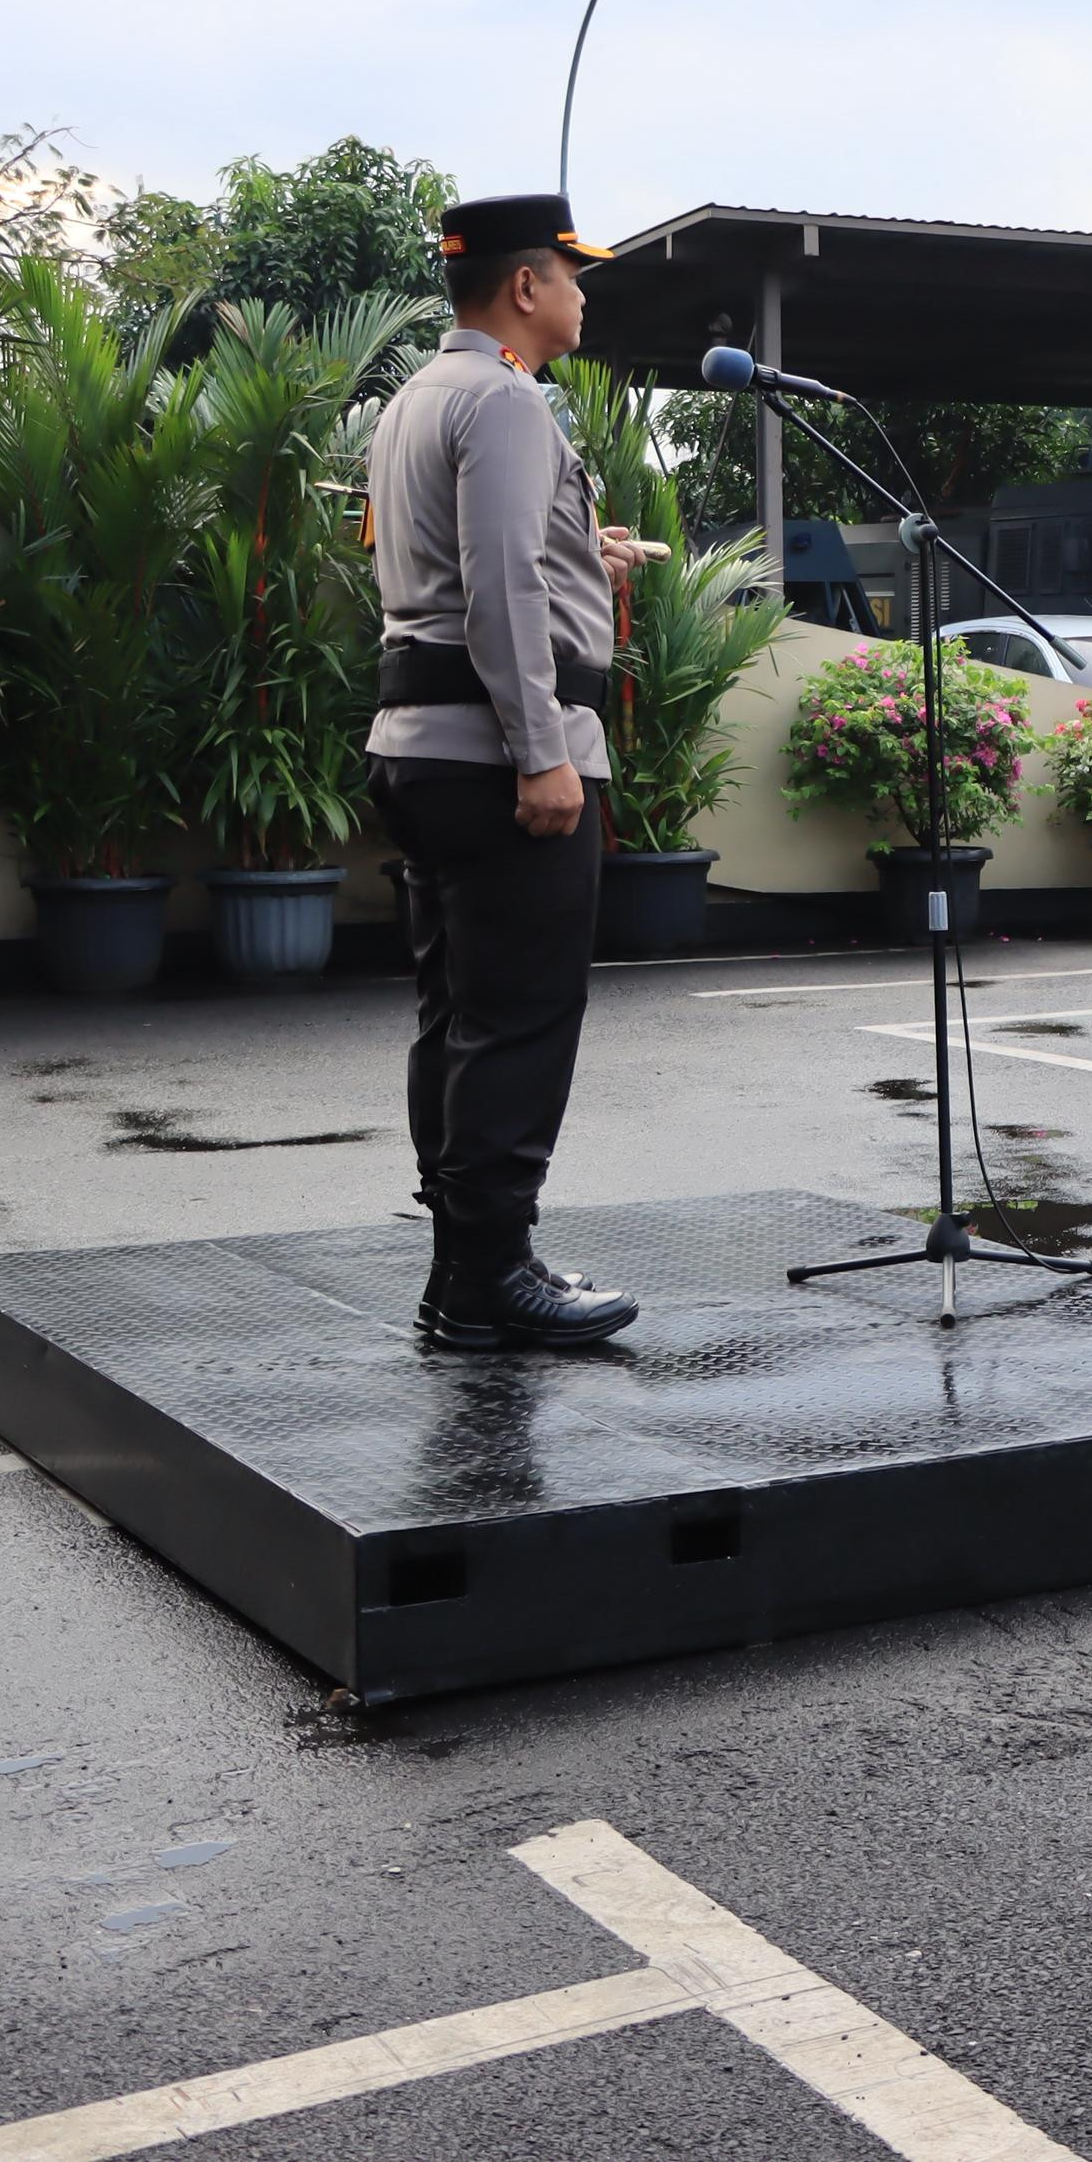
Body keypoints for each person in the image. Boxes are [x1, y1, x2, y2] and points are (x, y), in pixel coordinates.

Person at [366, 193, 653, 1351]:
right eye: (572, 277)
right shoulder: (505, 397)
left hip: (425, 747)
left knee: (458, 1014)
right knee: (520, 1018)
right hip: (498, 755)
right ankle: (488, 1274)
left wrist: (589, 548)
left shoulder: (417, 398)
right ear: (525, 287)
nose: (583, 296)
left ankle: (465, 1266)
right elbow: (499, 590)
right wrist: (542, 752)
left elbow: (467, 557)